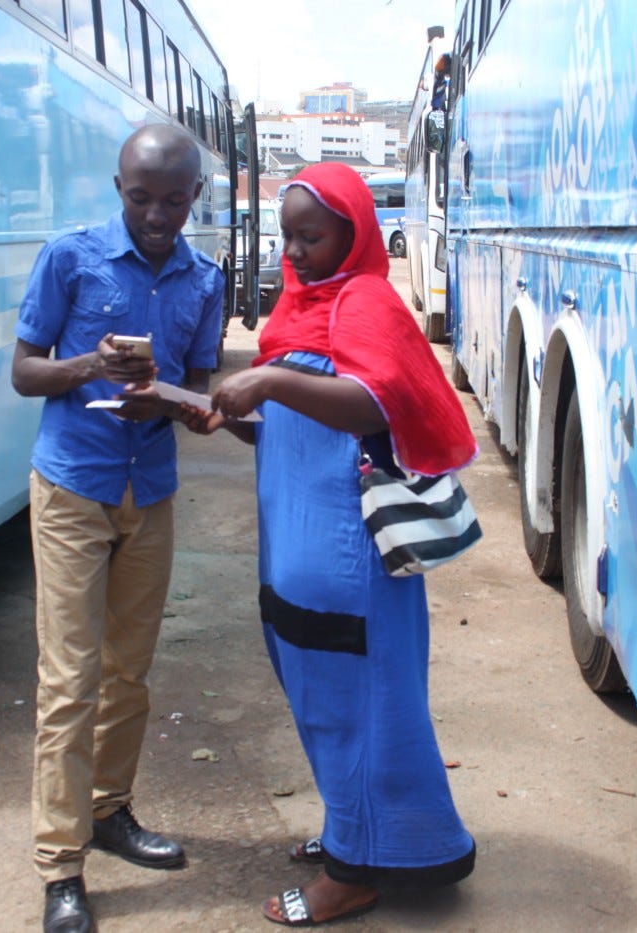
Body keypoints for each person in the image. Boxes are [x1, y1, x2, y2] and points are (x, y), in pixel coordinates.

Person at [196, 162, 479, 926]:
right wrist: (222, 412)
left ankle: (353, 873)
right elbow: (290, 421)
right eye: (287, 236)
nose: (294, 251)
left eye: (311, 237)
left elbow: (372, 404)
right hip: (296, 547)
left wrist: (267, 383)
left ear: (352, 235)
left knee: (359, 706)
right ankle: (360, 831)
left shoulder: (366, 300)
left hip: (349, 558)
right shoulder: (300, 304)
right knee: (323, 702)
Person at [11, 123, 224, 933]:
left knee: (129, 672)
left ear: (195, 196)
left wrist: (164, 400)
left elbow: (203, 394)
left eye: (173, 201)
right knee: (70, 680)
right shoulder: (71, 258)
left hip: (150, 491)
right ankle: (60, 866)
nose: (157, 216)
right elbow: (24, 371)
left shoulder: (205, 279)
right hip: (73, 486)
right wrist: (91, 367)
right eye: (141, 199)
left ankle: (108, 808)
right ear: (118, 188)